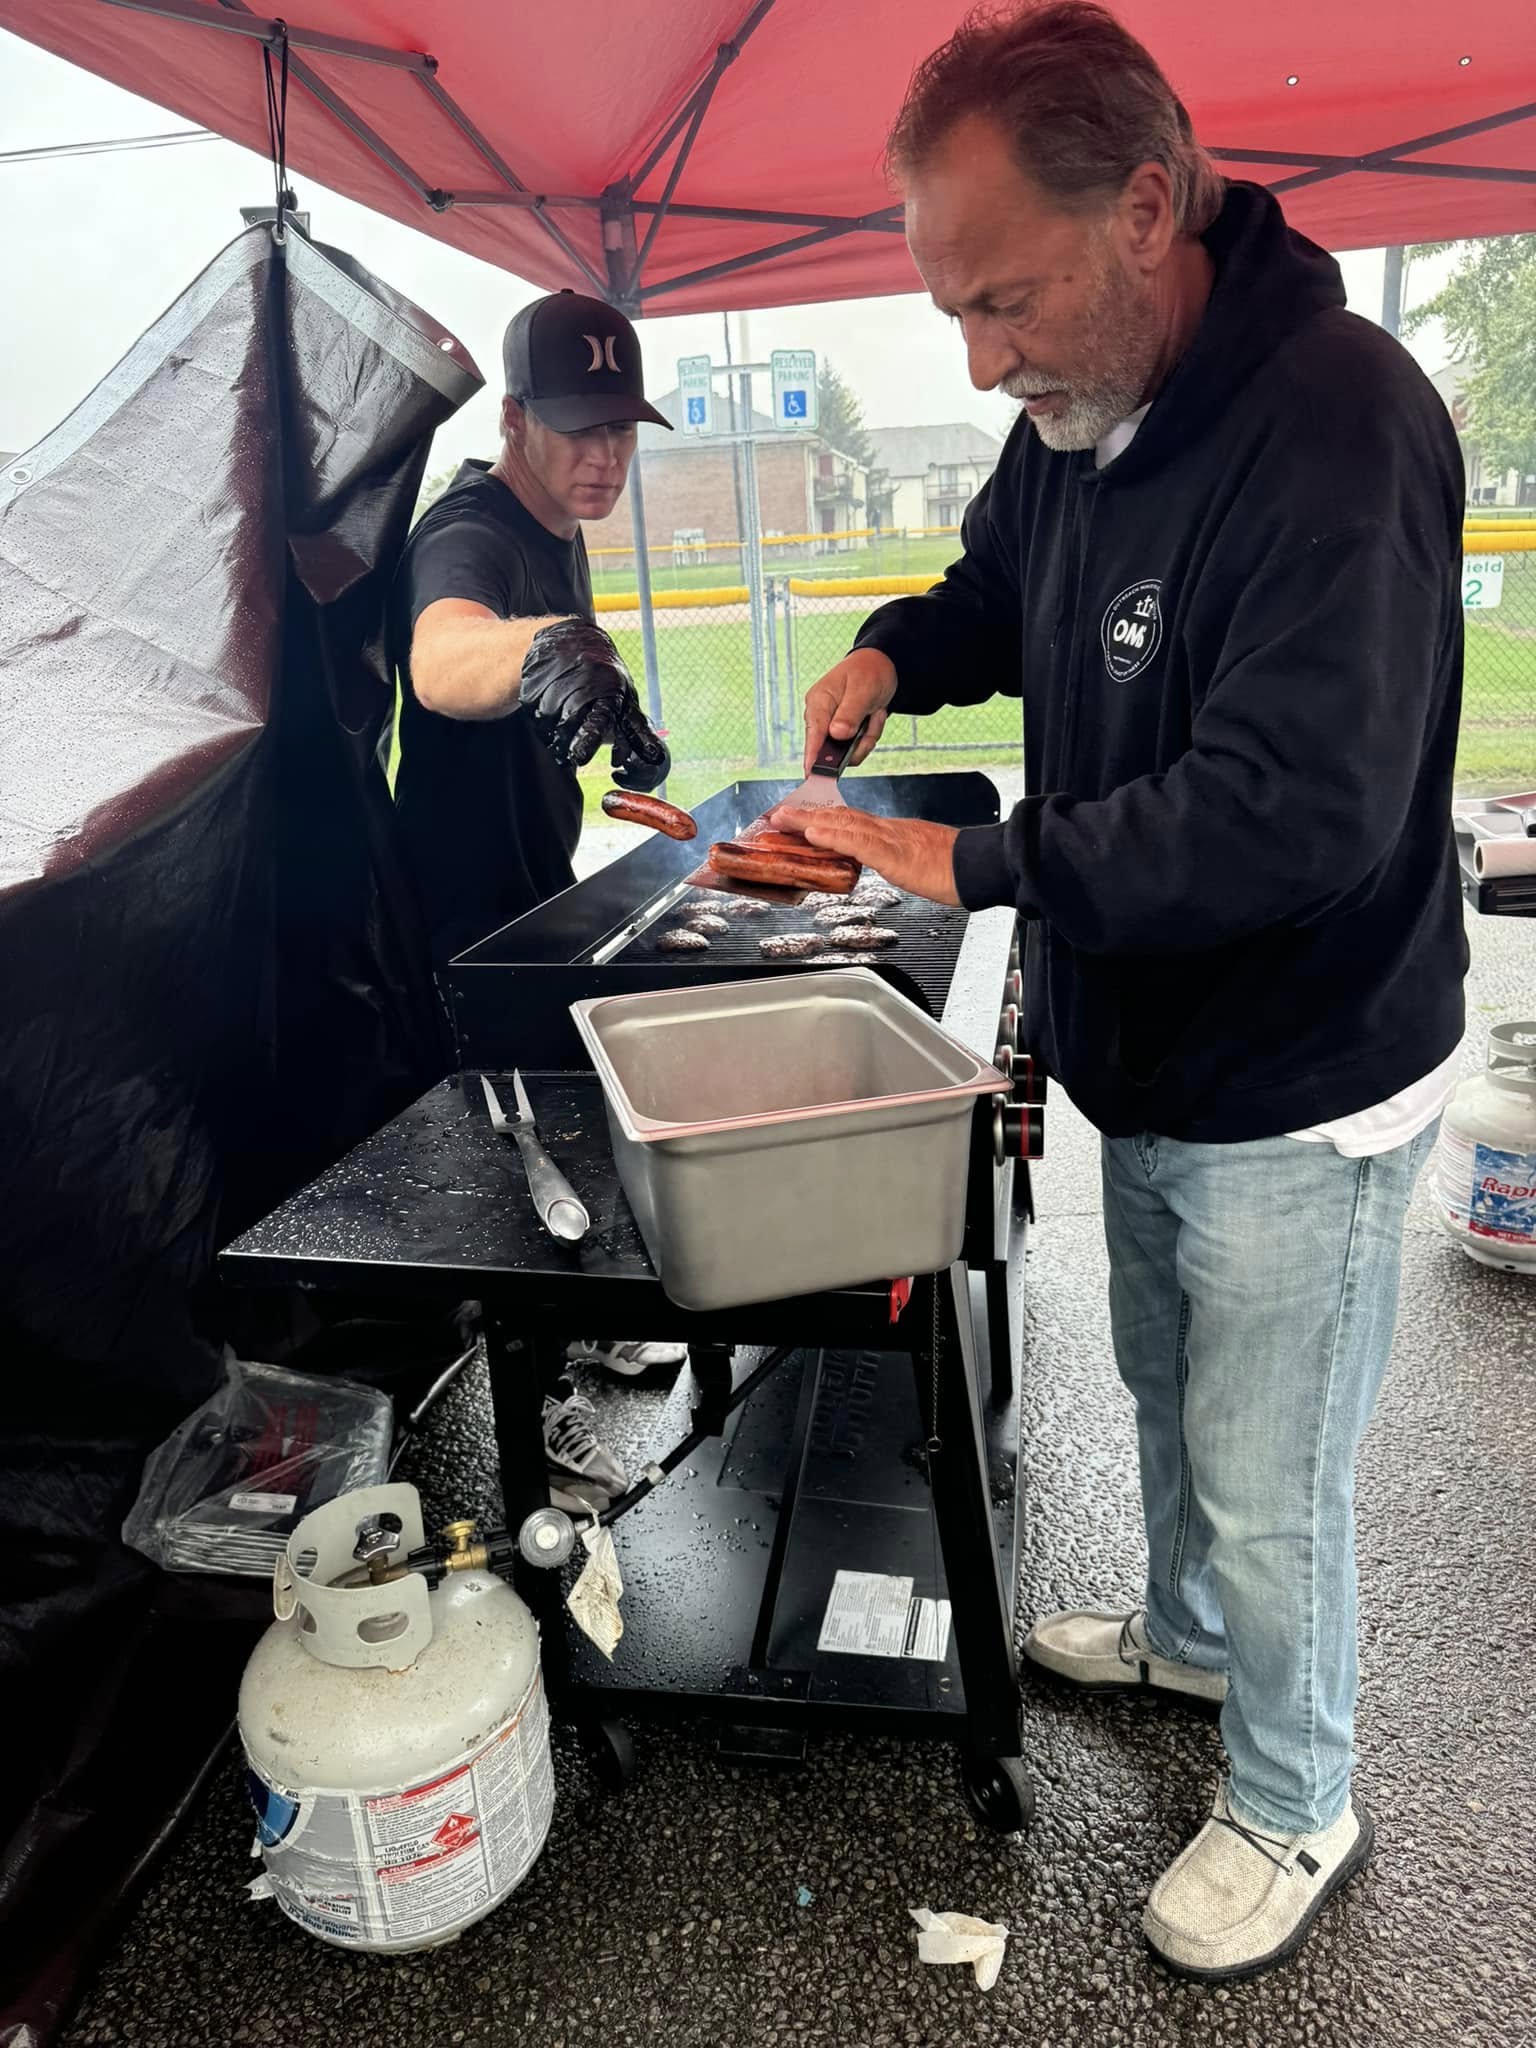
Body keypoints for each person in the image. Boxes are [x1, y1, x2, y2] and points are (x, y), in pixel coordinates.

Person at [779, 1, 1467, 1983]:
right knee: (1172, 1391)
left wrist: (976, 861)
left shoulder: (1337, 425)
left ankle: (1296, 1789)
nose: (983, 360)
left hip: (1303, 1072)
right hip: (1149, 1054)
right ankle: (1187, 1640)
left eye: (1002, 302)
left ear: (1146, 209)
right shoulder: (1077, 414)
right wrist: (898, 649)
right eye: (955, 316)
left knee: (1271, 1470)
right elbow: (1002, 591)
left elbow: (1288, 814)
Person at [389, 290, 687, 1513]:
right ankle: (537, 1408)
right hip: (460, 911)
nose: (604, 454)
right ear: (513, 418)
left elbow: (551, 670)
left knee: (574, 1122)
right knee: (519, 1158)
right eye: (577, 428)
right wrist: (545, 645)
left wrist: (616, 713)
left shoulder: (559, 522)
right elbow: (444, 653)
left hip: (533, 885)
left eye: (620, 428)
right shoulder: (468, 528)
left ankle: (587, 1321)